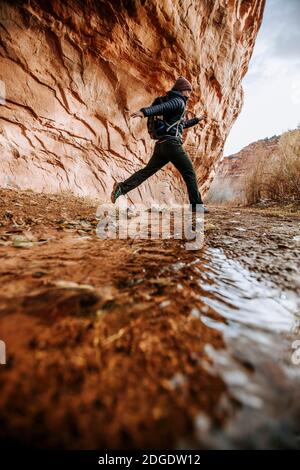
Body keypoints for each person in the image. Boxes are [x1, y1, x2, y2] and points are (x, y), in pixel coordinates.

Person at [111, 76, 209, 213]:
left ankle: (121, 188)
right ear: (182, 90)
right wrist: (144, 112)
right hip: (172, 145)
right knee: (190, 173)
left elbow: (181, 124)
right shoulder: (178, 102)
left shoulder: (176, 102)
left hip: (162, 146)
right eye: (188, 91)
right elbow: (162, 107)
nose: (189, 94)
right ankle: (196, 206)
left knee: (147, 171)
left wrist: (196, 120)